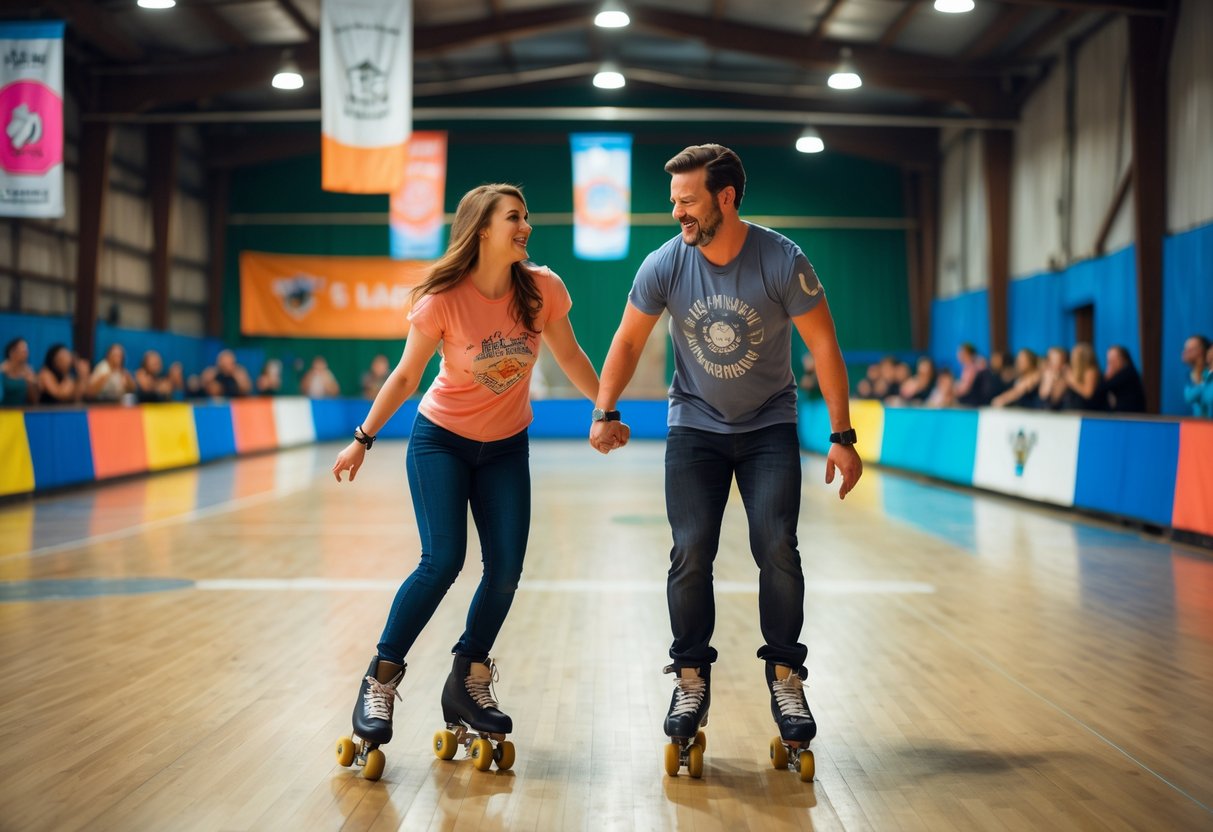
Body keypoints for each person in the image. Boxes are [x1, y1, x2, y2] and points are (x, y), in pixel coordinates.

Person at [588, 144, 862, 777]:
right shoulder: (665, 263)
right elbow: (629, 339)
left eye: (688, 201)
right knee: (690, 552)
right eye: (674, 201)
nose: (677, 212)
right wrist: (605, 411)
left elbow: (825, 346)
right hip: (695, 428)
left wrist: (843, 437)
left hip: (769, 425)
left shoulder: (782, 259)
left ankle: (787, 678)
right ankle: (689, 677)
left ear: (726, 197)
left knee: (777, 548)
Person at [330, 184, 604, 778]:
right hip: (442, 442)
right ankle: (380, 680)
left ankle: (468, 678)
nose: (525, 225)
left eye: (527, 216)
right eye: (514, 217)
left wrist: (604, 408)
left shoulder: (543, 290)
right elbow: (405, 377)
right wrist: (363, 437)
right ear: (482, 229)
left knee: (505, 568)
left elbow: (571, 354)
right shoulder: (442, 299)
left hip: (506, 447)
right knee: (443, 560)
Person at [1061, 342, 1106, 411]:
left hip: (1088, 412)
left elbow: (1088, 393)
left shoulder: (1091, 370)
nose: (1072, 358)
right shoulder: (1072, 371)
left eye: (1075, 355)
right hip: (1071, 410)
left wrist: (1072, 380)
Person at [1103, 345, 1146, 414]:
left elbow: (1103, 387)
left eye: (1114, 360)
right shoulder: (1120, 374)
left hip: (1133, 418)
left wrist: (1107, 375)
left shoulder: (1128, 373)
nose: (1111, 364)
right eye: (1109, 361)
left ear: (1123, 359)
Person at [1, 337, 39, 405]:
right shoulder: (2, 370)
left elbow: (34, 400)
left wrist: (32, 384)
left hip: (20, 412)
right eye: (23, 351)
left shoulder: (28, 371)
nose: (26, 354)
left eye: (27, 351)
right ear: (12, 352)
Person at [1181, 335, 1210, 417]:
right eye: (1185, 348)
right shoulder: (1189, 375)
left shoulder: (1209, 375)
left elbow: (1190, 396)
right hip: (1199, 426)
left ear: (1202, 351)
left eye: (1190, 349)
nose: (1184, 352)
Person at [1036, 346, 1069, 410]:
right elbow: (1043, 396)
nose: (1052, 363)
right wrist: (1049, 379)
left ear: (1063, 361)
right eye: (1051, 359)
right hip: (1044, 410)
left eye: (1056, 359)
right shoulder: (1045, 374)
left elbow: (1055, 399)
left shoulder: (1066, 376)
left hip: (1061, 411)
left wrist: (1053, 380)